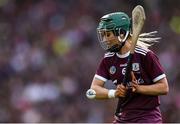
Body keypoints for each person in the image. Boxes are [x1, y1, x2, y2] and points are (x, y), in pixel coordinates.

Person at [86, 12, 169, 123]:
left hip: (147, 117)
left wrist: (140, 89)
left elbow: (164, 88)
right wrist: (114, 93)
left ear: (121, 34)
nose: (105, 39)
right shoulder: (108, 59)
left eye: (108, 34)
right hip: (123, 117)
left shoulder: (145, 55)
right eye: (103, 35)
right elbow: (92, 91)